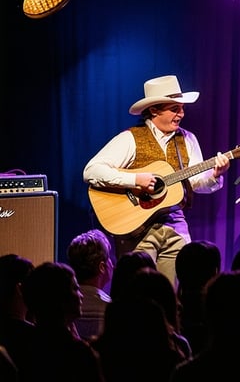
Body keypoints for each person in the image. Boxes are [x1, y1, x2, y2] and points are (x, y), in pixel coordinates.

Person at [83, 75, 231, 287]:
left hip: (175, 224)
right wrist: (135, 179)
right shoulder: (131, 138)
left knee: (175, 291)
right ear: (154, 110)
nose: (181, 114)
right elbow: (91, 171)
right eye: (174, 108)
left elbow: (197, 182)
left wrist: (215, 176)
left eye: (182, 108)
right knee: (139, 292)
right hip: (137, 228)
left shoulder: (187, 139)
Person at [66, 229, 114, 341]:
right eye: (109, 259)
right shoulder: (111, 310)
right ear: (102, 267)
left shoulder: (62, 309)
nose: (112, 264)